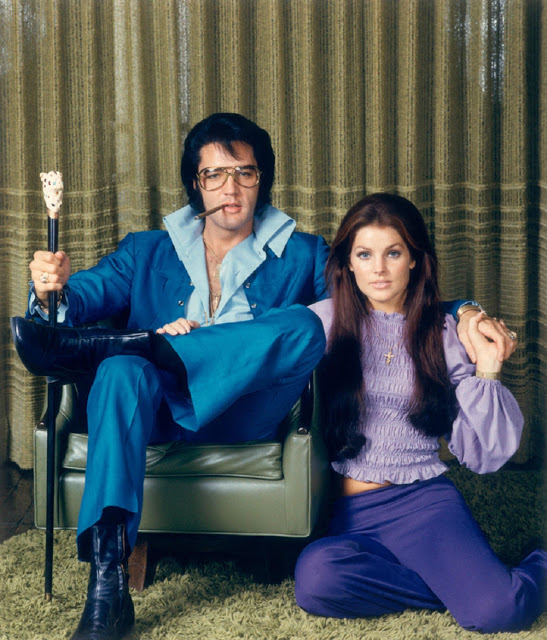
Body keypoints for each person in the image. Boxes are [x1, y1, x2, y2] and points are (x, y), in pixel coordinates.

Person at [11, 115, 514, 640]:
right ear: (195, 185)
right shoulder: (146, 250)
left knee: (304, 326)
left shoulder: (303, 253)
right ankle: (107, 587)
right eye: (214, 175)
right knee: (119, 369)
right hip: (157, 412)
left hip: (246, 414)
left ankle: (156, 349)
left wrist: (465, 311)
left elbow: (382, 292)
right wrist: (50, 291)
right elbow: (74, 302)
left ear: (262, 180)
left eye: (244, 173)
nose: (230, 188)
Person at [294, 193, 546, 633]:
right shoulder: (324, 321)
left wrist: (487, 368)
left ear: (414, 259)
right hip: (348, 510)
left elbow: (484, 455)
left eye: (393, 253)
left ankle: (537, 563)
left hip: (422, 503)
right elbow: (259, 342)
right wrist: (192, 330)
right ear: (348, 263)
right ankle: (457, 584)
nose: (379, 268)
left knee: (498, 612)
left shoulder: (446, 333)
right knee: (317, 581)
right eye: (365, 254)